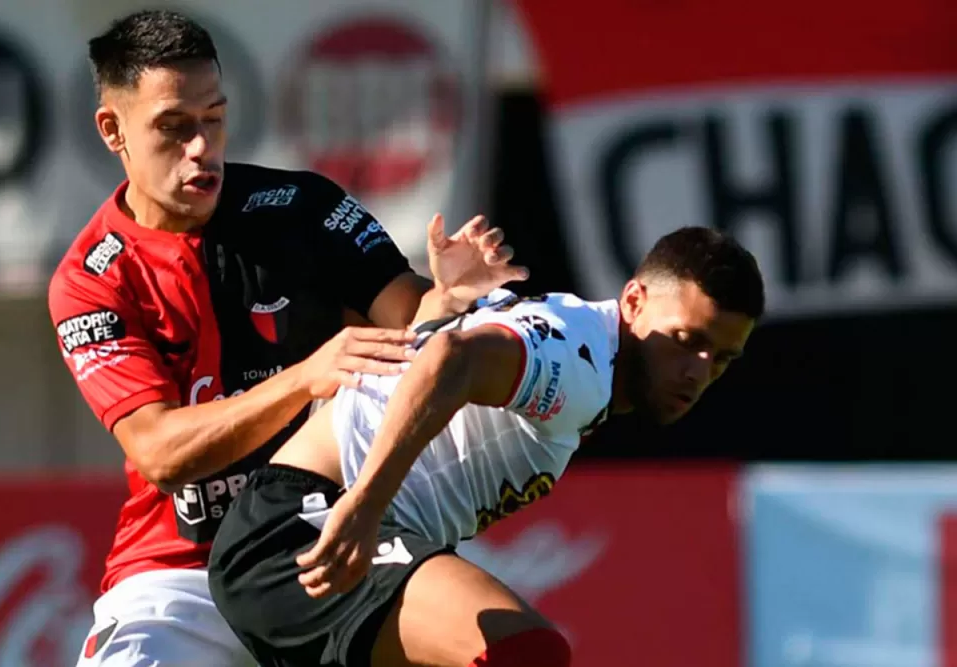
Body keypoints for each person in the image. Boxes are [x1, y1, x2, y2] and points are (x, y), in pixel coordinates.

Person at [48, 9, 527, 667]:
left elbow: (412, 329)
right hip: (177, 575)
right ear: (113, 130)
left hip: (318, 539)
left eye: (213, 119)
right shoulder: (90, 279)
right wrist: (307, 376)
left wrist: (446, 300)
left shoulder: (304, 207)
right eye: (173, 127)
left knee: (516, 647)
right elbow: (159, 451)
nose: (200, 148)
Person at [208, 226, 766, 667]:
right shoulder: (580, 360)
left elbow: (426, 361)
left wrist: (442, 300)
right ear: (635, 301)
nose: (698, 372)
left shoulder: (571, 334)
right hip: (301, 531)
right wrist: (366, 505)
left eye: (721, 359)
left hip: (313, 532)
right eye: (688, 341)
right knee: (524, 650)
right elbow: (448, 362)